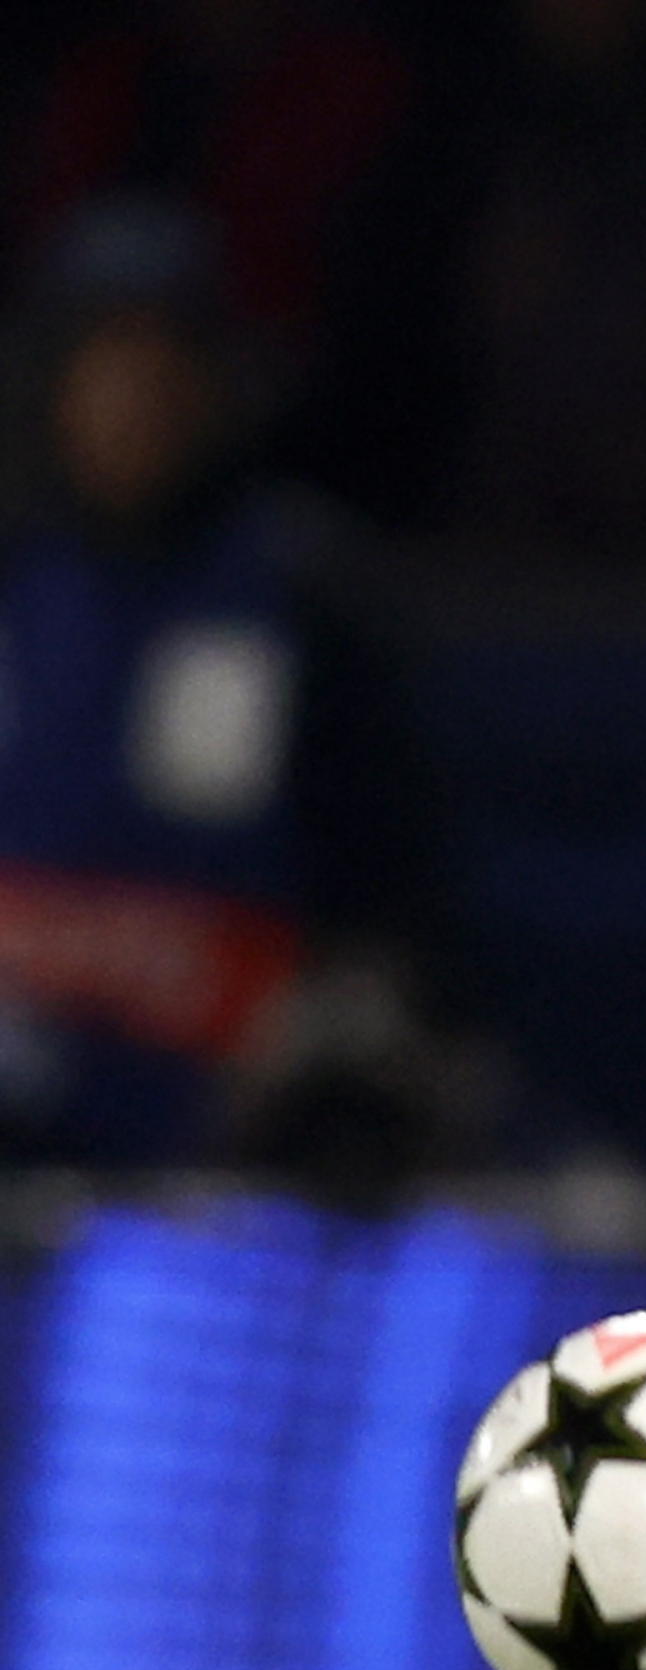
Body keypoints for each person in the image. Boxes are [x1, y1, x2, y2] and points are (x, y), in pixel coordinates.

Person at [0, 196, 458, 1181]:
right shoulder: (15, 578)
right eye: (108, 355)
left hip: (235, 1135)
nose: (140, 392)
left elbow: (395, 889)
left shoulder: (301, 593)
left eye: (170, 357)